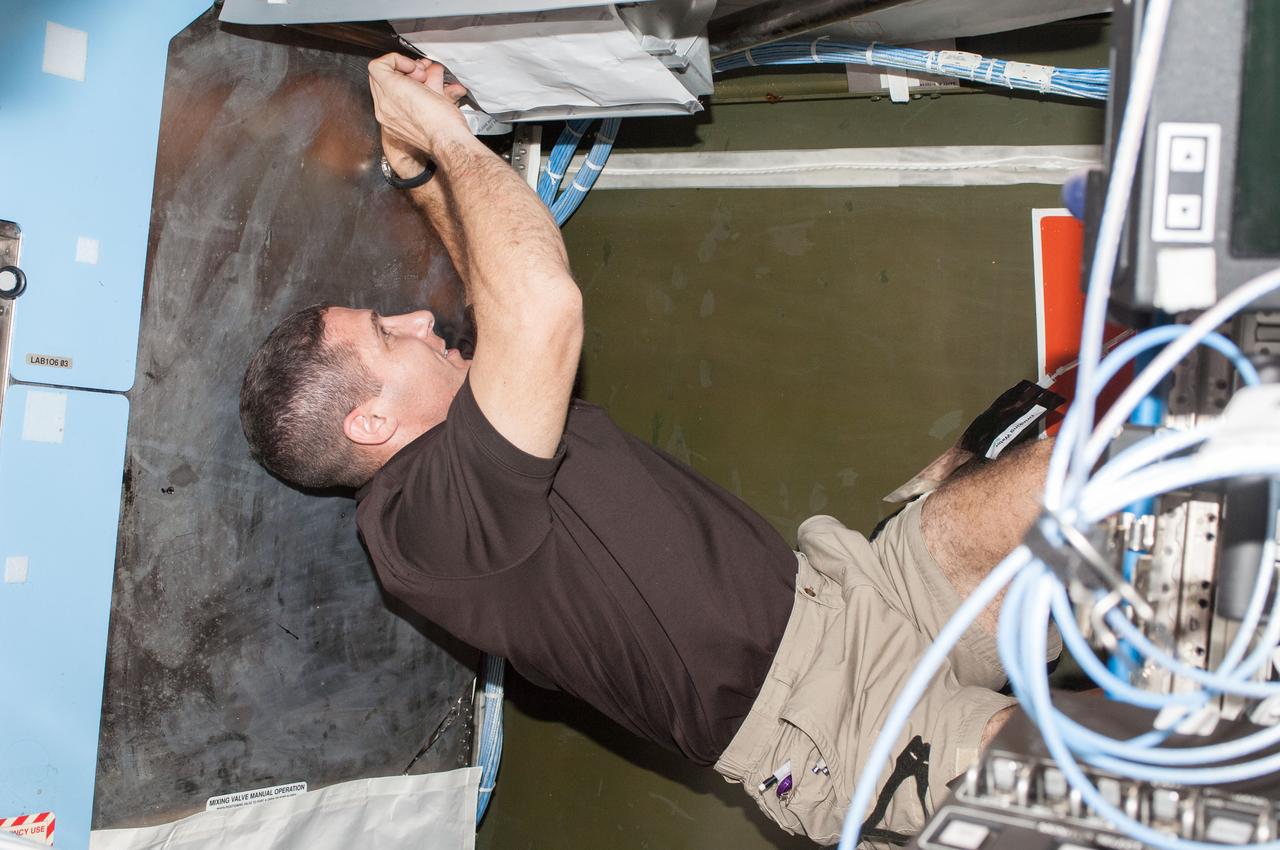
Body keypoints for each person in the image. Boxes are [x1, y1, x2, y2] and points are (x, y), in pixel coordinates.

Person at [239, 53, 1058, 846]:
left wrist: (420, 175)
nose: (418, 319)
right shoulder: (422, 527)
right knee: (1097, 775)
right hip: (819, 717)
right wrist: (450, 136)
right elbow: (539, 303)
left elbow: (496, 294)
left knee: (1089, 477)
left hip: (852, 595)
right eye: (387, 333)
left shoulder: (466, 447)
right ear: (370, 425)